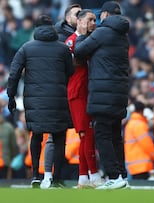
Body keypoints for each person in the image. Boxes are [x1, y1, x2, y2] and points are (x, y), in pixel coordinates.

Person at [7, 15, 74, 188]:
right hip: (59, 100)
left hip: (34, 101)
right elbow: (71, 72)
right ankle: (56, 178)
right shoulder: (62, 49)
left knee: (36, 136)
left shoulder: (26, 48)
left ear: (36, 28)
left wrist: (11, 97)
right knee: (59, 138)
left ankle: (36, 175)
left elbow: (14, 74)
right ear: (52, 28)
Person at [74, 1, 130, 189]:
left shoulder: (103, 32)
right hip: (119, 93)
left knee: (103, 135)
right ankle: (122, 176)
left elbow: (79, 51)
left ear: (105, 14)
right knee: (115, 136)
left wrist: (81, 35)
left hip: (102, 93)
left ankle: (113, 177)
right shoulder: (123, 35)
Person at [41, 3, 82, 186]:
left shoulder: (85, 36)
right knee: (54, 136)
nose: (80, 16)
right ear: (68, 18)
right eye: (77, 14)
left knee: (80, 134)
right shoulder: (59, 38)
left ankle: (82, 176)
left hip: (77, 90)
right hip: (60, 91)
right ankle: (48, 176)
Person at [62, 9, 102, 189]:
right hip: (77, 93)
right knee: (87, 134)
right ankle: (94, 176)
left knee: (86, 136)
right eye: (90, 20)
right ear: (79, 22)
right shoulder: (70, 41)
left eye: (95, 20)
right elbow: (72, 64)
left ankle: (83, 179)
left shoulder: (91, 41)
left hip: (88, 92)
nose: (93, 23)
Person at [124, 101, 154, 180]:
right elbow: (146, 143)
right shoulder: (139, 124)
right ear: (142, 111)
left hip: (134, 162)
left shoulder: (131, 123)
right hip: (141, 163)